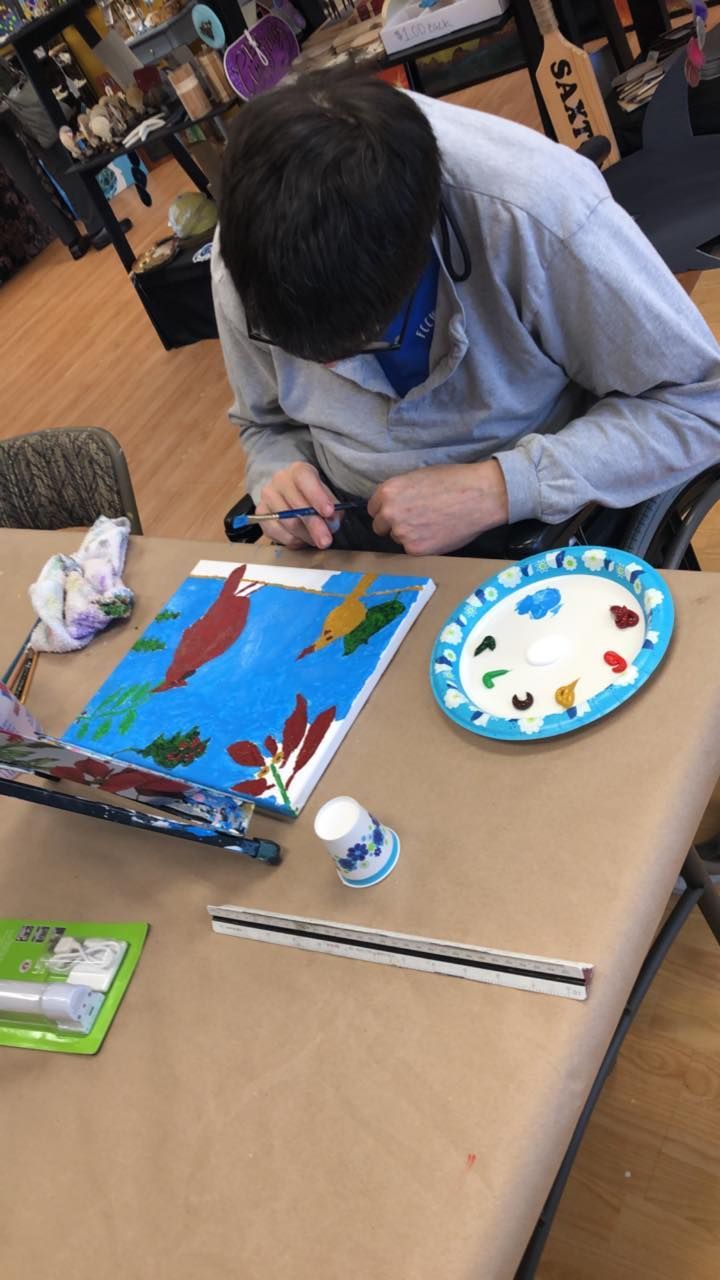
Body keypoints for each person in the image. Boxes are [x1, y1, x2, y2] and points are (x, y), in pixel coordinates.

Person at [212, 72, 720, 557]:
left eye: (359, 347)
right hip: (348, 537)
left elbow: (701, 404)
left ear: (423, 252)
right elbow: (264, 426)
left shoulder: (534, 209)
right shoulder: (250, 249)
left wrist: (502, 486)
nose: (325, 372)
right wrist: (275, 472)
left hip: (539, 528)